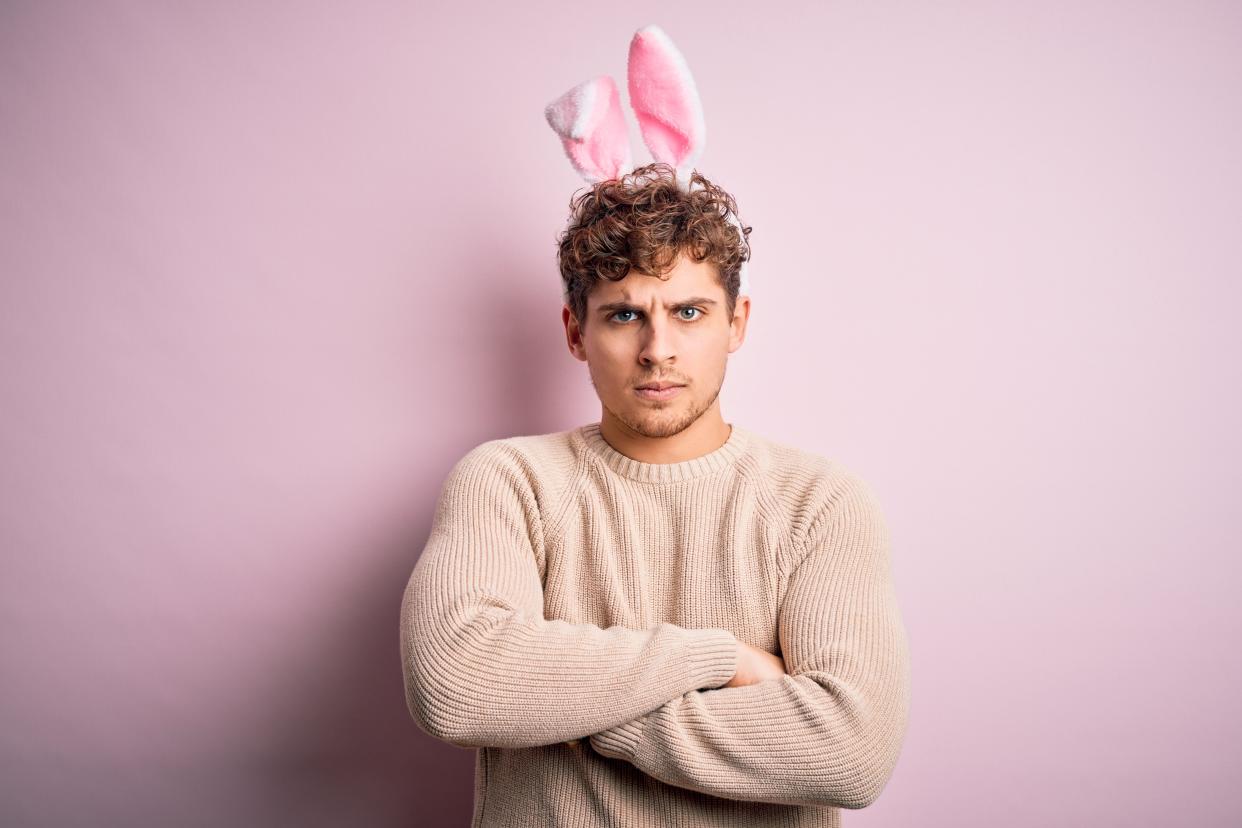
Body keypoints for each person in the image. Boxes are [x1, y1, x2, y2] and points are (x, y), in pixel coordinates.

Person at [399, 162, 912, 827]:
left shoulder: (821, 502)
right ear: (576, 332)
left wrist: (568, 707)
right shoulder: (507, 481)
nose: (657, 349)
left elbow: (852, 751)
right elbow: (456, 685)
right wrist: (719, 660)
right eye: (623, 315)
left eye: (689, 312)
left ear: (737, 323)